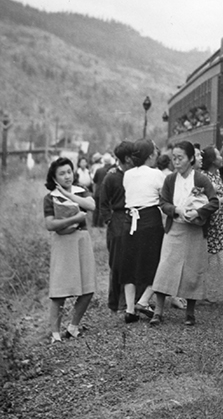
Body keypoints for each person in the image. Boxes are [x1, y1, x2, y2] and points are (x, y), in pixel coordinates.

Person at [150, 142, 219, 326]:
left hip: (195, 231)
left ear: (190, 158)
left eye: (180, 158)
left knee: (193, 270)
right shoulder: (170, 179)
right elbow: (163, 202)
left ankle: (190, 313)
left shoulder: (201, 180)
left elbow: (214, 202)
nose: (176, 162)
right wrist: (176, 210)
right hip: (175, 229)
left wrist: (199, 212)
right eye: (174, 158)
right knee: (165, 268)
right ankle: (158, 311)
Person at [43, 157, 97, 343]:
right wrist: (74, 219)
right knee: (60, 290)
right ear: (54, 177)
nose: (67, 176)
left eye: (69, 172)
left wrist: (70, 196)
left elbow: (91, 205)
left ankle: (73, 326)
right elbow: (50, 224)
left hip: (82, 239)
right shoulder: (50, 197)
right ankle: (55, 334)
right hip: (63, 243)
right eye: (62, 173)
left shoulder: (81, 191)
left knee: (88, 287)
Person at [119, 139, 164, 323]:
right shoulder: (157, 174)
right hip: (149, 220)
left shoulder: (127, 175)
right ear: (151, 155)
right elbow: (165, 197)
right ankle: (144, 300)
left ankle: (130, 309)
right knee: (159, 263)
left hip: (129, 221)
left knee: (130, 265)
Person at [98, 140, 135, 312]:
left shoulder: (136, 175)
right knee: (117, 263)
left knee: (133, 261)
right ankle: (115, 303)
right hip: (118, 221)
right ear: (127, 158)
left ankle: (131, 302)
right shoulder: (111, 177)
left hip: (134, 219)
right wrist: (109, 220)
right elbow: (103, 203)